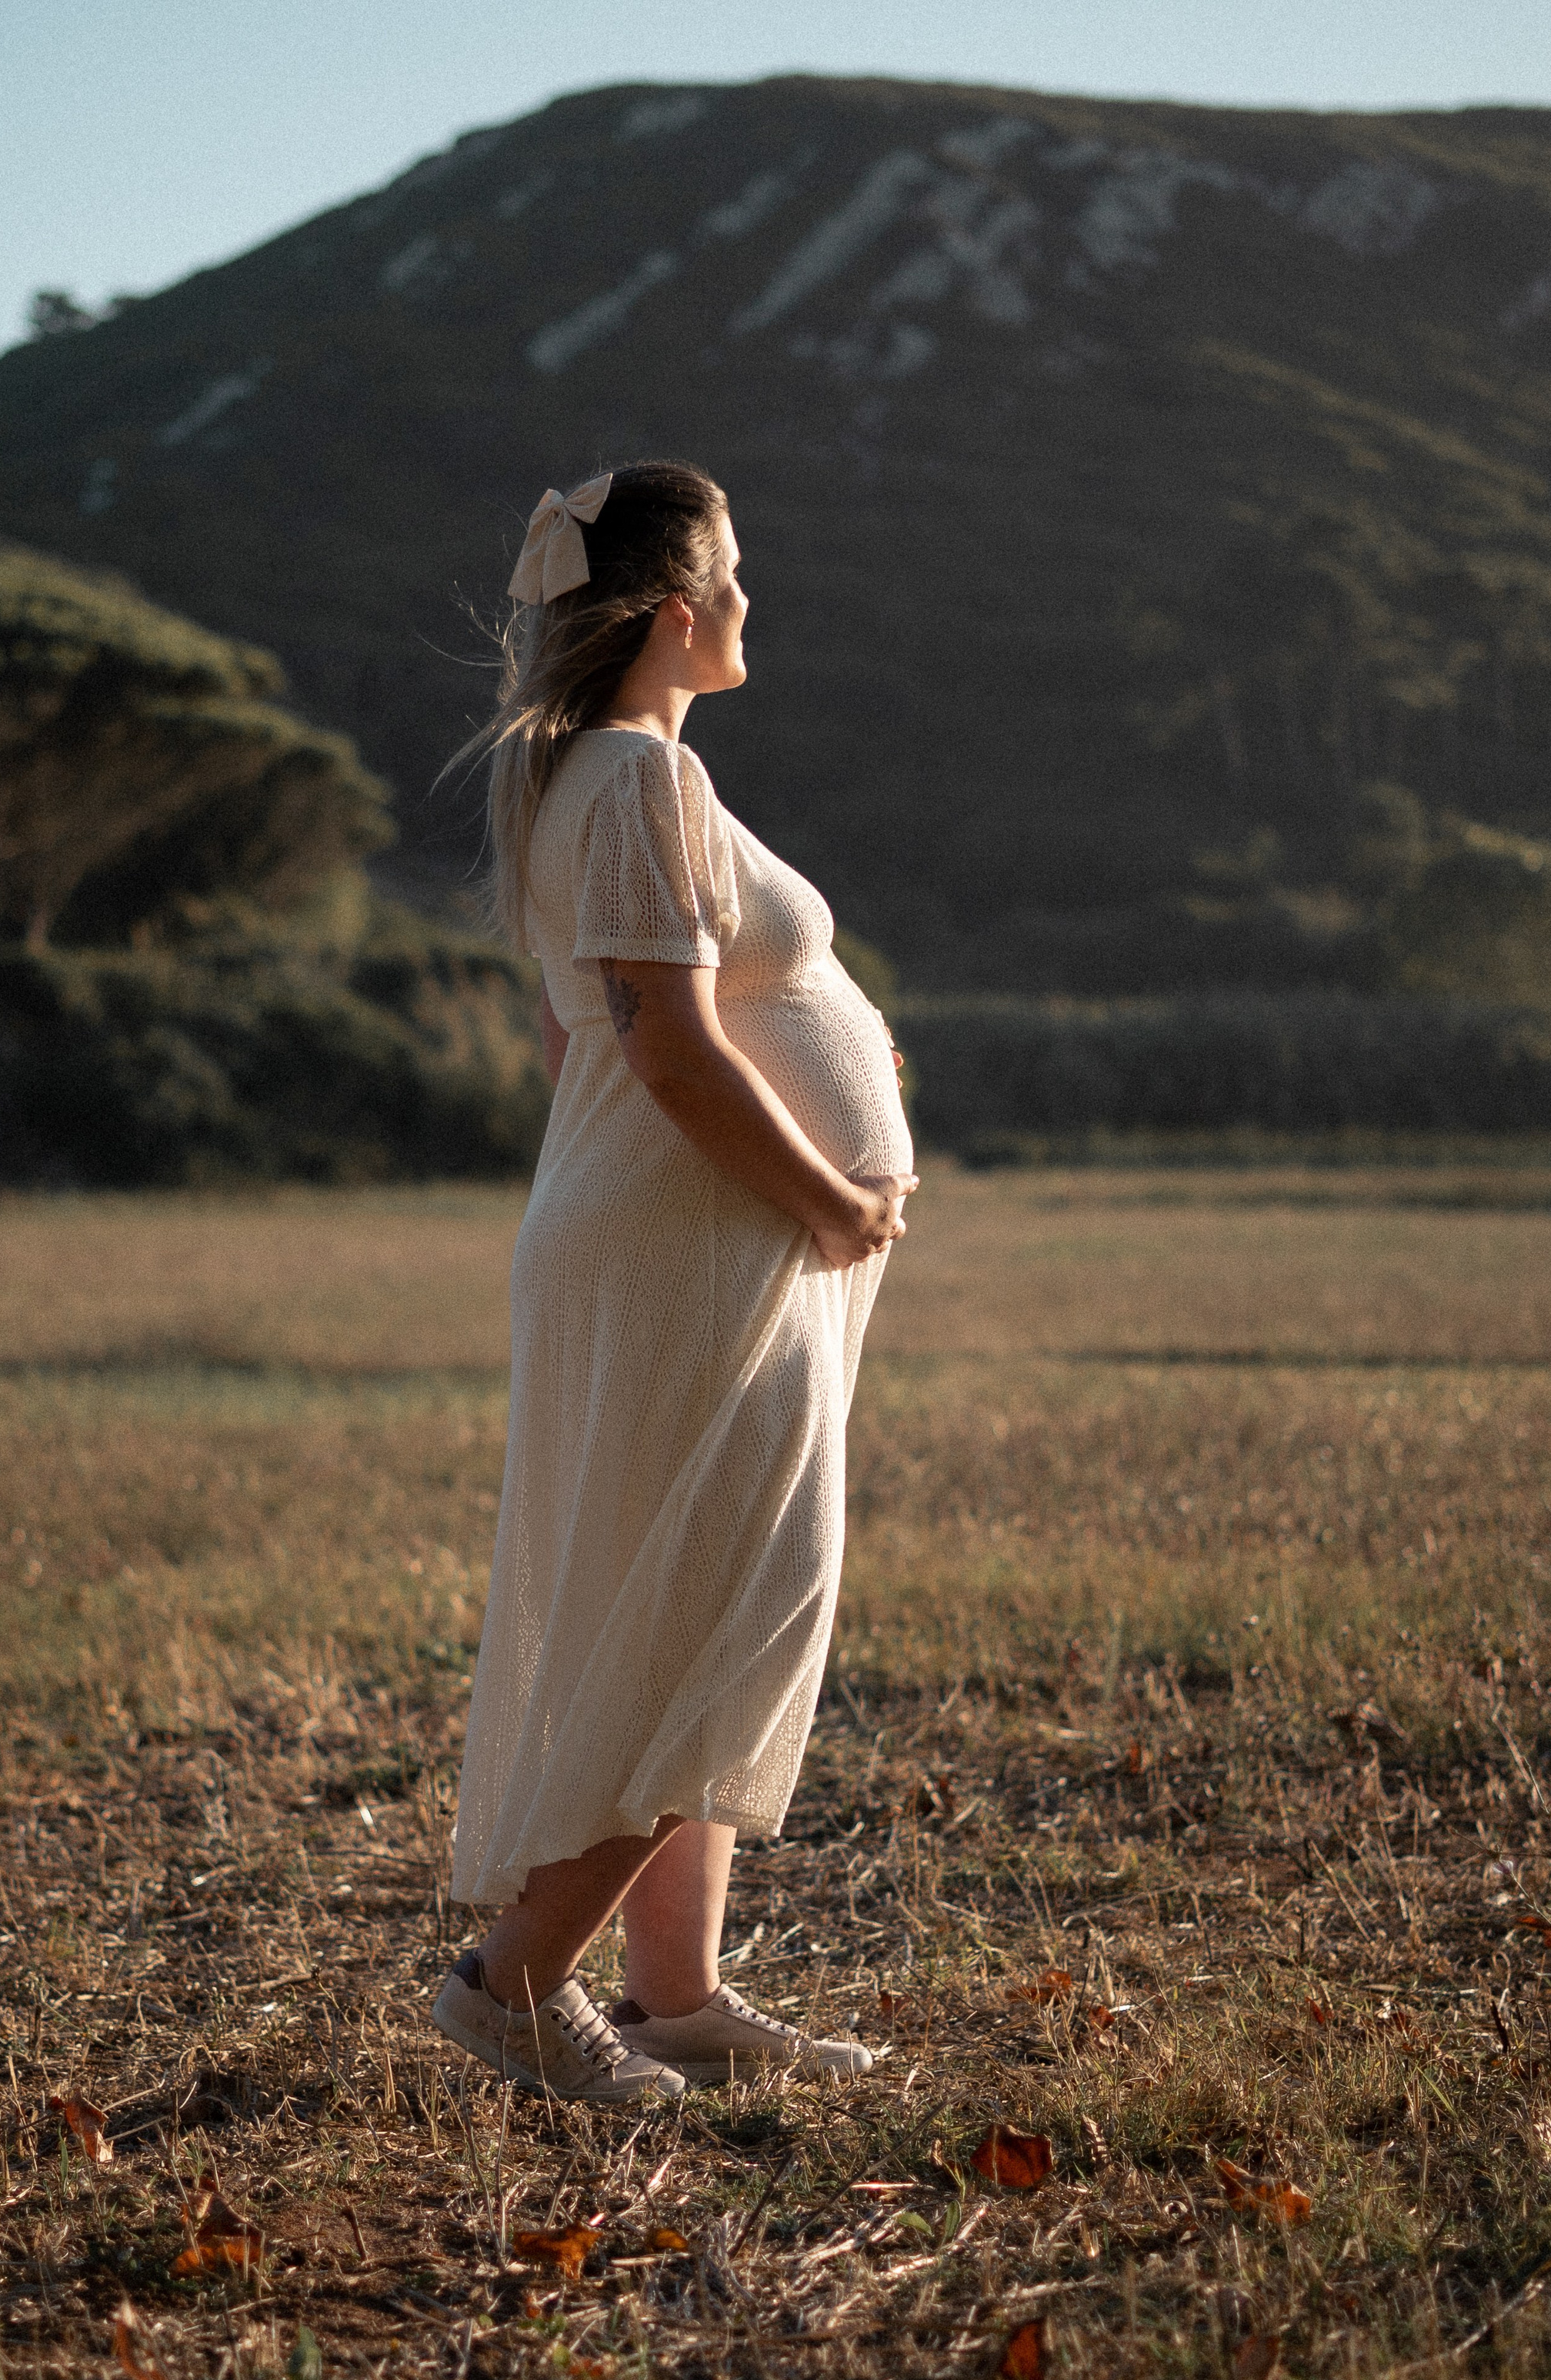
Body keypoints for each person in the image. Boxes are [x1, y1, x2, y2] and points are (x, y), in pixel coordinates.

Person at [431, 462, 916, 2102]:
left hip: (682, 1241)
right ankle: (508, 1984)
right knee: (713, 1612)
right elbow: (664, 1045)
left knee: (683, 1589)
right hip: (698, 1243)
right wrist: (832, 1194)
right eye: (731, 574)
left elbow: (590, 1035)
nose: (748, 602)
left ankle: (677, 1997)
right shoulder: (631, 778)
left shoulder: (621, 780)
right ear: (665, 610)